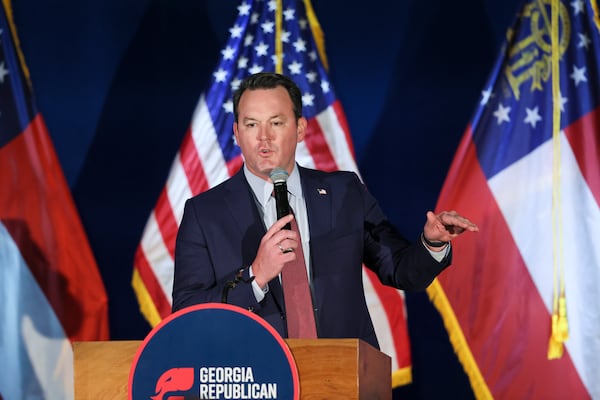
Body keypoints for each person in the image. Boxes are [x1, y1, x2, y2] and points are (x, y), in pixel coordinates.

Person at [172, 72, 478, 350]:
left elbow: (399, 269)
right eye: (251, 125)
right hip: (256, 377)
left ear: (301, 128)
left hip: (342, 376)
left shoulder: (344, 192)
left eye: (276, 123)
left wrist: (432, 244)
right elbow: (187, 314)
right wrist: (255, 278)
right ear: (237, 133)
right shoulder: (204, 213)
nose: (263, 137)